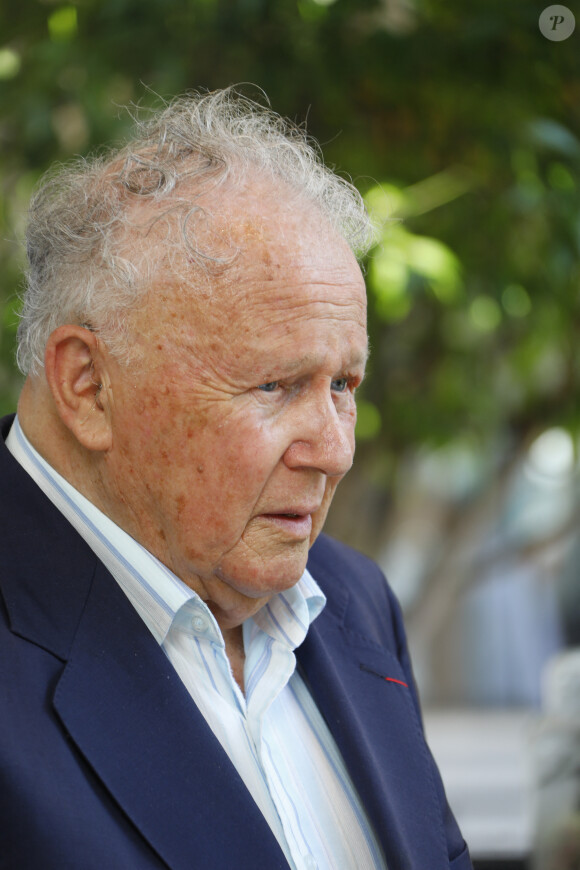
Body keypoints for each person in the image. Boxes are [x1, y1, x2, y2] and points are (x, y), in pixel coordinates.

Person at [0, 87, 472, 870]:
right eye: (275, 386)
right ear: (88, 386)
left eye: (344, 387)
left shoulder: (354, 603)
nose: (333, 449)